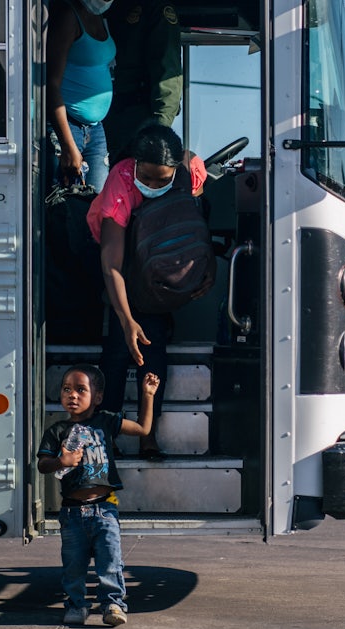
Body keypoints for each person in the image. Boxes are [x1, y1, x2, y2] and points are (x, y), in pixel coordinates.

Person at [87, 123, 205, 458]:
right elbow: (111, 262)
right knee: (115, 356)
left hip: (155, 275)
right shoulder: (121, 185)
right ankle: (105, 435)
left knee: (154, 356)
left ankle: (147, 435)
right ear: (135, 164)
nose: (152, 185)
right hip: (121, 268)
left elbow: (194, 211)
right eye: (147, 177)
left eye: (162, 179)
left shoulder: (187, 173)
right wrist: (125, 320)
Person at [38, 364, 159, 626]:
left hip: (105, 510)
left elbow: (143, 429)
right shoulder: (56, 431)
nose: (72, 395)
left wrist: (147, 395)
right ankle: (76, 605)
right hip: (72, 513)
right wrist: (63, 460)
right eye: (66, 389)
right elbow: (43, 465)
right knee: (73, 565)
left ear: (98, 397)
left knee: (110, 561)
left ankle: (113, 604)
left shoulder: (106, 421)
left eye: (81, 390)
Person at [46, 0, 117, 193]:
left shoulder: (99, 15)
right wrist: (67, 144)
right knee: (64, 203)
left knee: (97, 203)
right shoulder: (68, 17)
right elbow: (50, 84)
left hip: (95, 130)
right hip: (67, 126)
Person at [103, 1, 183, 159]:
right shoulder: (101, 6)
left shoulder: (155, 9)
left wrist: (159, 131)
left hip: (136, 118)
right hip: (101, 115)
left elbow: (167, 71)